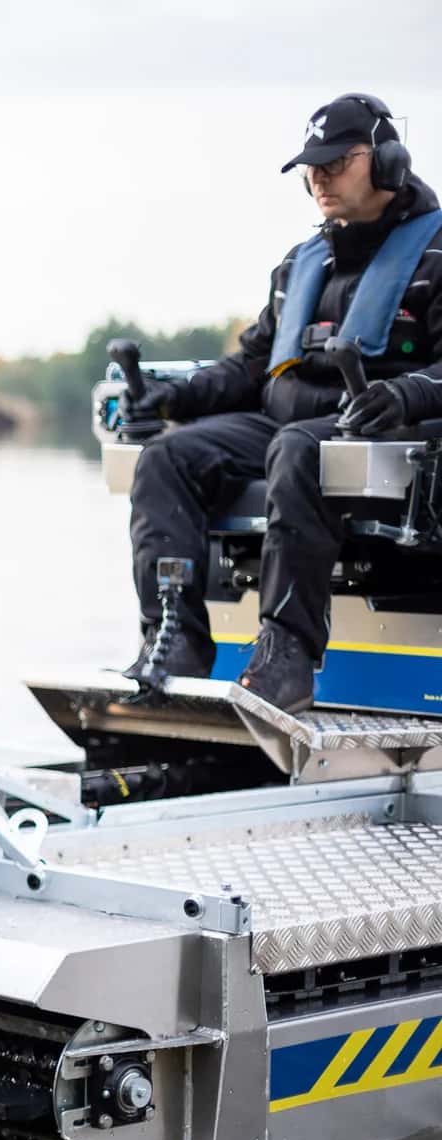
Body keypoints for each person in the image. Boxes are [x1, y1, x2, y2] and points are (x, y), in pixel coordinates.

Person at [123, 93, 442, 712]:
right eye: (311, 166)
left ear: (387, 161)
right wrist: (174, 397)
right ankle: (177, 642)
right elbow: (251, 367)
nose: (318, 175)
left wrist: (405, 393)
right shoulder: (301, 264)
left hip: (387, 435)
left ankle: (288, 655)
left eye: (336, 161)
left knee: (300, 448)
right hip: (289, 426)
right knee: (167, 458)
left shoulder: (436, 258)